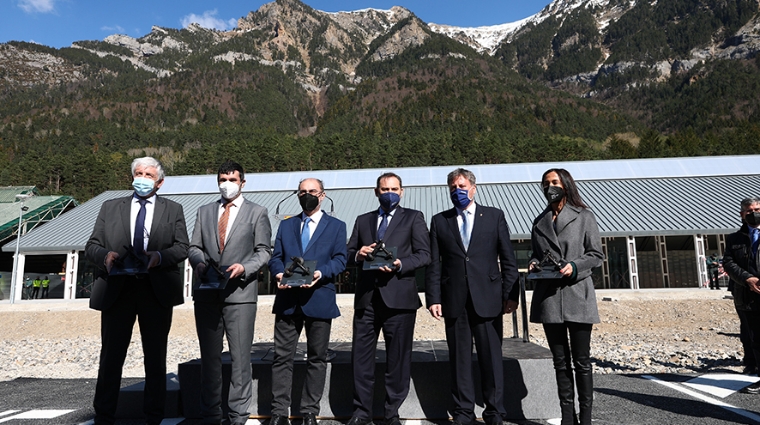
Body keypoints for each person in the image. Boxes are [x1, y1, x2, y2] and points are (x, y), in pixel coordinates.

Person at [85, 156, 189, 425]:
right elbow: (92, 245)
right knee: (111, 358)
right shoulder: (110, 208)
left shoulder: (173, 209)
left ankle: (154, 416)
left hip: (155, 290)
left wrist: (159, 256)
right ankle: (104, 415)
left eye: (149, 175)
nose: (142, 178)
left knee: (155, 358)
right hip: (118, 289)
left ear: (160, 182)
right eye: (139, 173)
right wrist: (105, 257)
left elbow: (182, 247)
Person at [425, 168, 519, 425]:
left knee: (491, 358)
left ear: (474, 188)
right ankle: (463, 412)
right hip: (454, 301)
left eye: (462, 185)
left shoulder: (494, 216)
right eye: (453, 187)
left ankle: (495, 411)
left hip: (489, 299)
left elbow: (508, 258)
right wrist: (433, 298)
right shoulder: (439, 220)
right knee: (459, 360)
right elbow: (434, 264)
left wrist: (512, 294)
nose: (458, 190)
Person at [188, 160, 272, 425]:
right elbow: (193, 247)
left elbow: (264, 251)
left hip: (240, 294)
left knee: (240, 358)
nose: (227, 184)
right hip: (207, 293)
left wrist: (245, 267)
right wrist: (199, 262)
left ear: (242, 182)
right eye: (223, 179)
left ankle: (238, 415)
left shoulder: (257, 213)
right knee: (210, 359)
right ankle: (211, 413)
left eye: (232, 179)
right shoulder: (204, 211)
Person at [346, 172, 431, 425]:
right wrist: (358, 255)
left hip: (400, 299)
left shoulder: (414, 218)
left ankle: (391, 412)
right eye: (384, 189)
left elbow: (424, 254)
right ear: (376, 192)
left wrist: (400, 264)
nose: (389, 193)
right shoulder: (363, 220)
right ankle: (361, 412)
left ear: (402, 191)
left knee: (398, 360)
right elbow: (349, 252)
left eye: (394, 188)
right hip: (367, 299)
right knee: (360, 360)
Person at [268, 178, 347, 425]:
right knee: (282, 357)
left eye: (312, 191)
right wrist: (279, 273)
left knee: (317, 357)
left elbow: (341, 260)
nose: (307, 195)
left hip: (319, 297)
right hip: (288, 300)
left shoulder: (336, 226)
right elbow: (275, 258)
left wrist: (320, 273)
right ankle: (279, 411)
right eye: (302, 192)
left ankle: (310, 411)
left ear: (322, 195)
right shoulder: (287, 226)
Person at [528, 168, 603, 425]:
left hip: (577, 294)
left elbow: (596, 255)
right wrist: (534, 264)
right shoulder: (539, 221)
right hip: (549, 298)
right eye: (547, 183)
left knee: (582, 361)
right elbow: (536, 254)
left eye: (555, 182)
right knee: (560, 362)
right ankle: (567, 417)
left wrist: (574, 266)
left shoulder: (584, 216)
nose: (551, 187)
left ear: (566, 184)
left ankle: (586, 418)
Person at [722, 197, 760, 391]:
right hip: (746, 293)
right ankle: (753, 365)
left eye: (757, 209)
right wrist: (747, 279)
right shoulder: (735, 238)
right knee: (753, 335)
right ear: (742, 214)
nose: (753, 213)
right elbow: (728, 262)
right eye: (749, 210)